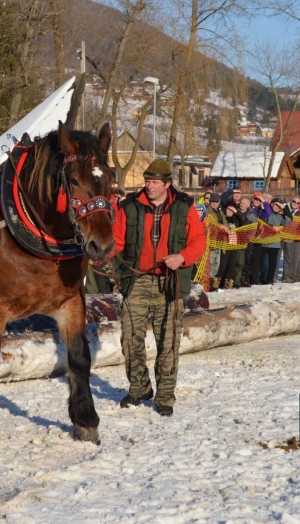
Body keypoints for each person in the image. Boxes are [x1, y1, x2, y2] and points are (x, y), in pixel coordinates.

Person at [114, 159, 206, 416]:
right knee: (130, 339)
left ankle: (165, 396)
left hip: (170, 282)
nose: (149, 186)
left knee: (168, 342)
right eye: (147, 181)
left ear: (167, 184)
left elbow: (198, 241)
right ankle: (139, 387)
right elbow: (116, 241)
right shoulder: (128, 207)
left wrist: (182, 257)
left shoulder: (183, 206)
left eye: (154, 182)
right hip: (137, 281)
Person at [263, 198, 291, 285]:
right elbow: (264, 222)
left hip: (275, 243)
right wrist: (272, 226)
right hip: (265, 243)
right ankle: (262, 277)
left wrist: (284, 208)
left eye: (279, 206)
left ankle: (269, 279)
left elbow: (289, 220)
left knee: (272, 263)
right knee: (264, 263)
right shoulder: (267, 213)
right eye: (275, 205)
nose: (277, 207)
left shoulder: (281, 217)